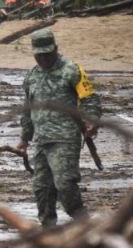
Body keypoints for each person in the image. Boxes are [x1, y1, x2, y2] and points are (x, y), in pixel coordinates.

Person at [16, 29, 102, 228]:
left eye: (48, 53)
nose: (44, 59)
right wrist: (24, 139)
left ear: (56, 49)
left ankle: (84, 224)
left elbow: (90, 99)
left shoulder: (71, 70)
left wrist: (92, 121)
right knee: (42, 189)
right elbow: (28, 109)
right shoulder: (31, 77)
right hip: (41, 141)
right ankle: (49, 231)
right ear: (34, 53)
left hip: (65, 139)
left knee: (65, 184)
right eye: (39, 55)